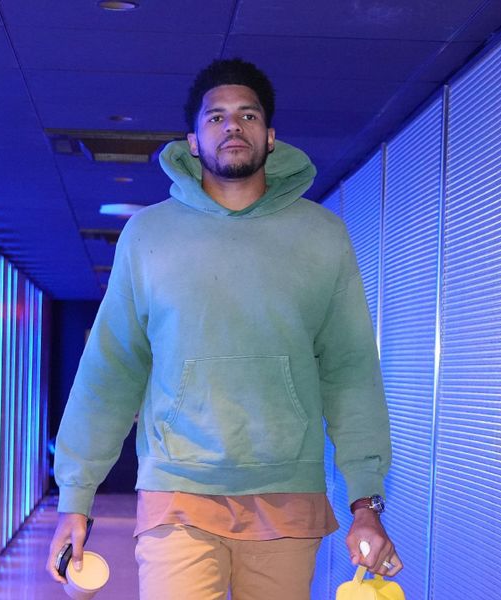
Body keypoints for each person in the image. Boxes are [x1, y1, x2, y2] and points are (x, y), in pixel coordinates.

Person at [46, 58, 402, 599]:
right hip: (177, 490)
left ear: (271, 135)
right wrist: (75, 498)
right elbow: (109, 370)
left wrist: (366, 503)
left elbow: (350, 372)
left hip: (287, 494)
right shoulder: (148, 235)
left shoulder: (322, 236)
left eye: (248, 115)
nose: (233, 126)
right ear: (193, 139)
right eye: (217, 117)